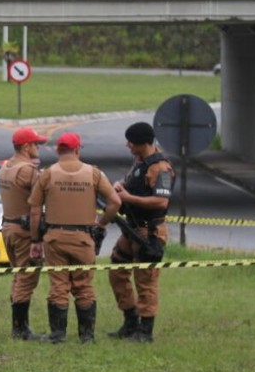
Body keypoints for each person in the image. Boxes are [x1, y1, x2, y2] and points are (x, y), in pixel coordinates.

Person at [29, 132, 120, 344]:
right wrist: (101, 222)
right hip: (83, 238)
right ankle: (86, 337)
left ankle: (58, 335)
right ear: (78, 150)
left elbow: (34, 210)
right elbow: (115, 202)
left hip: (55, 238)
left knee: (58, 286)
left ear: (58, 151)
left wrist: (35, 239)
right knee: (84, 285)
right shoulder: (94, 174)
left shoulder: (47, 174)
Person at [108, 121, 175, 343]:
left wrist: (128, 198)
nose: (128, 145)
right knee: (117, 270)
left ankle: (145, 331)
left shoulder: (161, 168)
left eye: (131, 142)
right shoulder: (139, 162)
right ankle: (130, 321)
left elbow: (161, 201)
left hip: (150, 232)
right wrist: (121, 187)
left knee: (145, 280)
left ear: (143, 143)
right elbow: (132, 185)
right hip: (131, 229)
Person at [0, 126, 47, 340]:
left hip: (8, 227)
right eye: (36, 144)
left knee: (18, 276)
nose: (38, 148)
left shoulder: (6, 166)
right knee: (27, 277)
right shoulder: (27, 170)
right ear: (26, 147)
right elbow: (44, 196)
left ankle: (19, 326)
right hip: (23, 230)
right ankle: (20, 329)